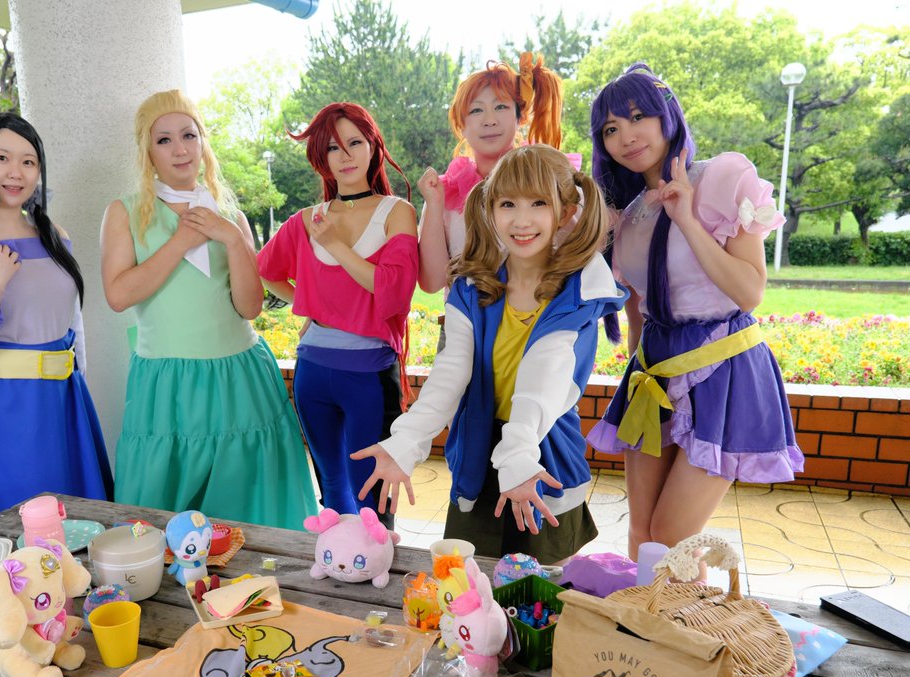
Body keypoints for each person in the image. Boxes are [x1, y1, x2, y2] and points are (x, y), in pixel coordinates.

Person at [354, 145, 626, 562]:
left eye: (538, 203)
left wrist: (518, 456)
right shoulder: (472, 286)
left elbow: (546, 377)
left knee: (542, 586)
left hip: (543, 449)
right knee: (467, 579)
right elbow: (451, 371)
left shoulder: (579, 292)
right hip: (478, 451)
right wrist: (405, 441)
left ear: (566, 211)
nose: (521, 220)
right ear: (490, 209)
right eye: (508, 204)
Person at [584, 63, 803, 562]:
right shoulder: (628, 214)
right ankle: (656, 614)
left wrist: (685, 217)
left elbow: (749, 291)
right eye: (610, 129)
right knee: (642, 534)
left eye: (637, 117)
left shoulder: (722, 178)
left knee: (670, 535)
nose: (625, 136)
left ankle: (679, 612)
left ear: (667, 115)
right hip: (653, 372)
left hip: (723, 368)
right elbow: (638, 311)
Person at [100, 89, 316, 529]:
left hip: (239, 378)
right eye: (164, 140)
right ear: (147, 152)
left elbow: (250, 307)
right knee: (164, 510)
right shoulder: (124, 213)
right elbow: (118, 295)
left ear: (203, 142)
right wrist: (182, 241)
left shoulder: (231, 217)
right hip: (168, 385)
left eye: (189, 135)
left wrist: (233, 239)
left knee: (247, 506)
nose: (180, 149)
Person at [0, 112, 113, 537]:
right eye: (2, 158)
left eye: (28, 161)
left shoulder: (54, 235)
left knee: (77, 528)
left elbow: (74, 324)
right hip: (1, 411)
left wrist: (80, 394)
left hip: (65, 404)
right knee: (13, 533)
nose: (16, 172)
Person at [258, 102, 418, 525]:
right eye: (333, 147)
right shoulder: (306, 220)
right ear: (321, 158)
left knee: (371, 492)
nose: (345, 156)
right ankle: (337, 558)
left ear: (373, 147)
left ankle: (377, 559)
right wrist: (309, 306)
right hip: (312, 369)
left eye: (355, 143)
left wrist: (334, 246)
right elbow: (266, 270)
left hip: (369, 372)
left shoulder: (396, 211)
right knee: (331, 490)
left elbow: (394, 290)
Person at [417, 54, 564, 295]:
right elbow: (432, 283)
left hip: (538, 315)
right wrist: (434, 204)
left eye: (501, 106)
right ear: (461, 124)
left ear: (520, 117)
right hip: (463, 317)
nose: (489, 120)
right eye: (476, 110)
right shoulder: (444, 193)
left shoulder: (547, 180)